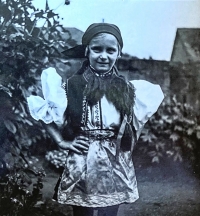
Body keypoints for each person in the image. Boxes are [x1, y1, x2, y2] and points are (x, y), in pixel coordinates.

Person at [27, 23, 164, 216]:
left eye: (110, 50)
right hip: (84, 157)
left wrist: (129, 144)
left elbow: (137, 121)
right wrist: (62, 141)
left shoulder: (128, 89)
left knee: (110, 210)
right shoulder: (72, 86)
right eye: (97, 49)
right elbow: (45, 112)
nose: (103, 56)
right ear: (87, 51)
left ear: (119, 53)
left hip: (115, 159)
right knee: (84, 211)